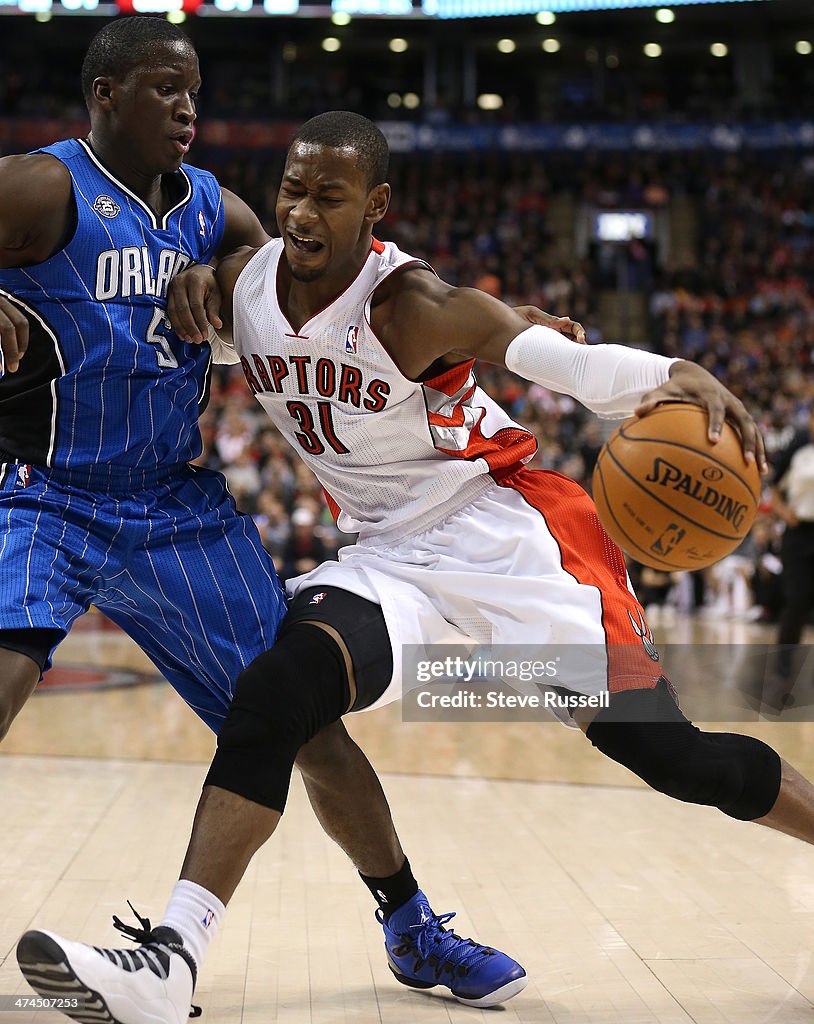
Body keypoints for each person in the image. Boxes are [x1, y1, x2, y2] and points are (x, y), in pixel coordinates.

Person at [21, 110, 811, 1024]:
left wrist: (677, 371)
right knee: (278, 691)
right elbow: (214, 320)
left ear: (376, 206)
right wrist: (190, 288)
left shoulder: (415, 305)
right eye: (291, 190)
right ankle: (172, 959)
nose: (304, 211)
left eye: (330, 194)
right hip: (391, 559)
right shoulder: (246, 287)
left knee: (675, 759)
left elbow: (565, 362)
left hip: (509, 547)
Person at [2, 33, 554, 1014]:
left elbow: (274, 283)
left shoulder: (218, 208)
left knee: (298, 712)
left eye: (195, 91)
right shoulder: (44, 188)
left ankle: (411, 925)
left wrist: (223, 279)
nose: (187, 108)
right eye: (165, 89)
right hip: (48, 490)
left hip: (174, 500)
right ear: (104, 93)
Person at [770, 404, 814, 694]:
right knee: (797, 601)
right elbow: (773, 490)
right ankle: (783, 671)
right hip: (799, 533)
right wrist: (786, 514)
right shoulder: (798, 451)